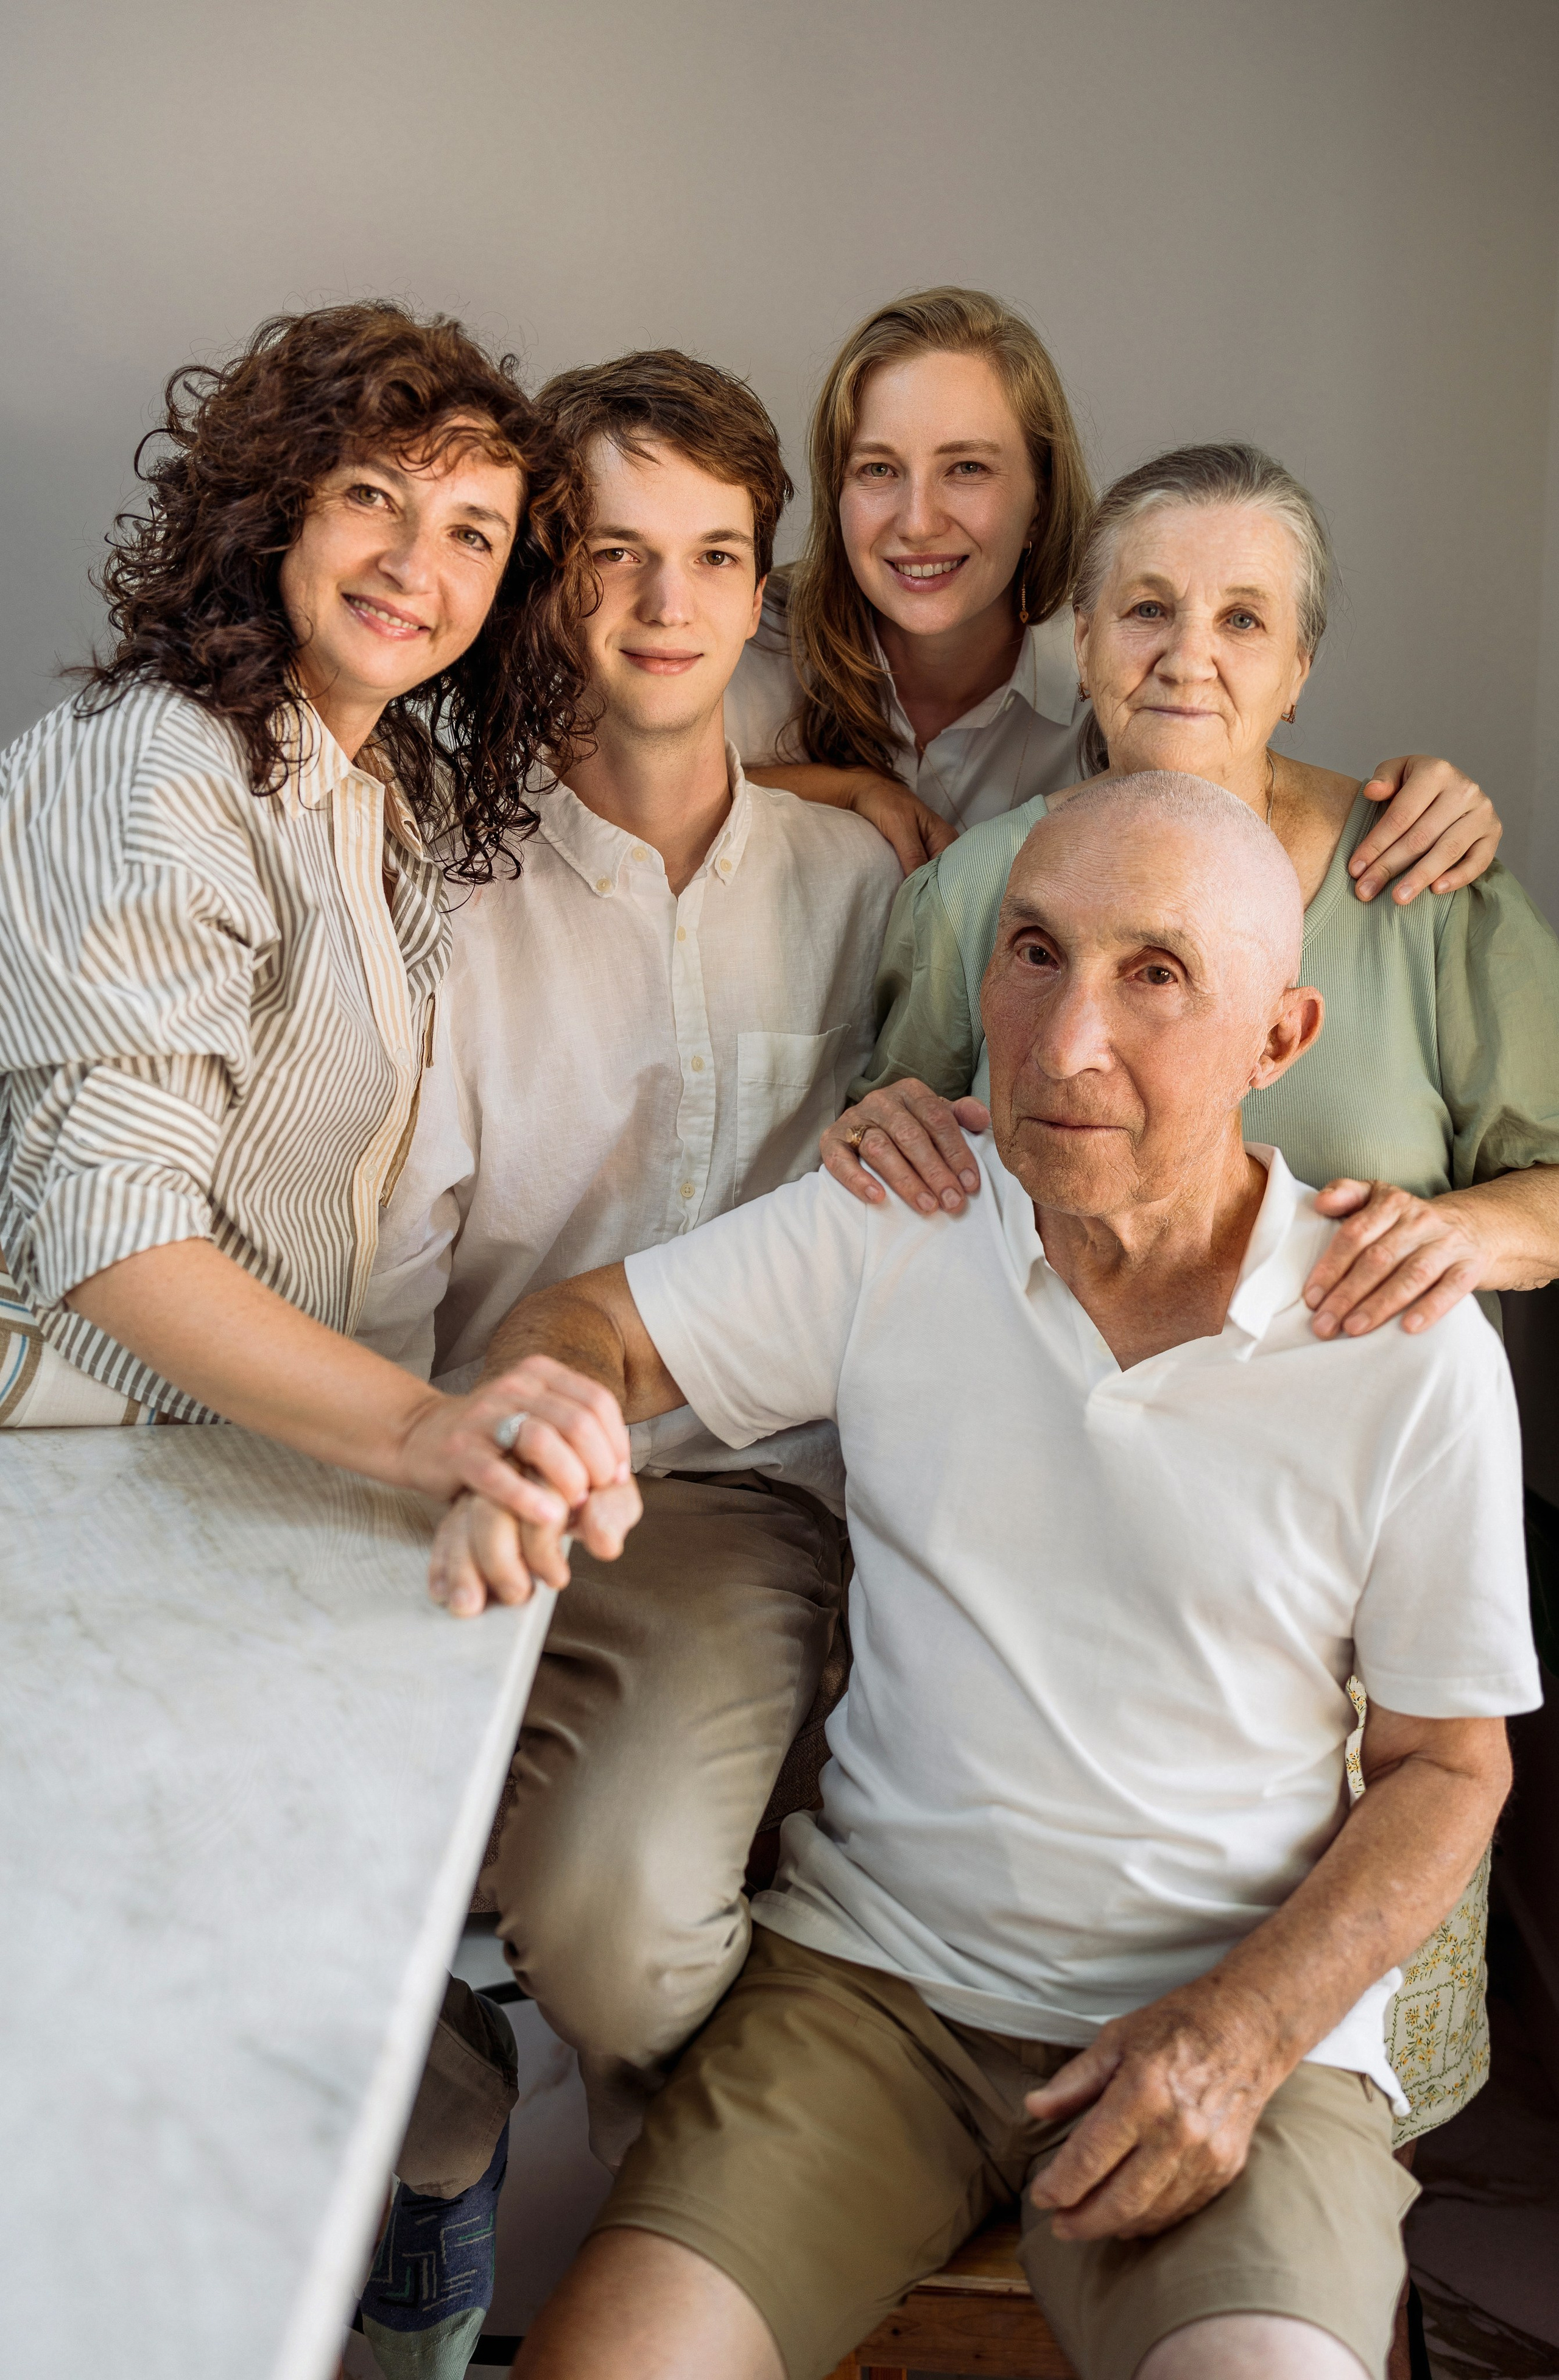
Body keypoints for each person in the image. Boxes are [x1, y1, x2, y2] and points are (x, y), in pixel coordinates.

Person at [434, 776, 1540, 2380]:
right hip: (875, 1994)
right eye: (1034, 953)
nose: (1065, 1037)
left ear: (1279, 1038)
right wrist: (542, 1418)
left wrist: (1240, 2035)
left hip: (1237, 2020)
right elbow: (588, 1323)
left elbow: (1454, 1765)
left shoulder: (1401, 1342)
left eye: (1154, 974)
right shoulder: (901, 1220)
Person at [819, 440, 1559, 2149]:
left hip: (1350, 1582)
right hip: (1047, 1571)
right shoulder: (983, 889)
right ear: (1080, 635)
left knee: (1308, 2094)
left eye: (1244, 617)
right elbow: (908, 1161)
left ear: (1303, 664)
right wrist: (868, 1127)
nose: (1189, 653)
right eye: (1146, 606)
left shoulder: (1420, 883)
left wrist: (1469, 1236)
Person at [351, 348, 899, 2365]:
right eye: (613, 553)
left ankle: (669, 2184)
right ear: (552, 581)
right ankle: (437, 2136)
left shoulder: (871, 882)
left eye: (716, 557)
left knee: (630, 1938)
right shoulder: (440, 877)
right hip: (447, 1459)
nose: (667, 606)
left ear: (768, 588)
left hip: (730, 1503)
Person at [0, 300, 632, 1537]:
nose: (414, 566)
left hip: (241, 1464)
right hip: (70, 1472)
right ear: (276, 502)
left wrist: (837, 794)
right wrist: (418, 1428)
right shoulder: (155, 764)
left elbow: (631, 785)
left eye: (471, 532)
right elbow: (112, 1232)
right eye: (369, 497)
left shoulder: (381, 780)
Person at [730, 285, 1504, 895]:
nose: (918, 518)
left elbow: (1251, 797)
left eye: (967, 467)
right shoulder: (739, 634)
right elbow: (622, 780)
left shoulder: (1120, 681)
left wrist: (1430, 798)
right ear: (837, 490)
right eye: (878, 469)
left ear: (1040, 494)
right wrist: (848, 789)